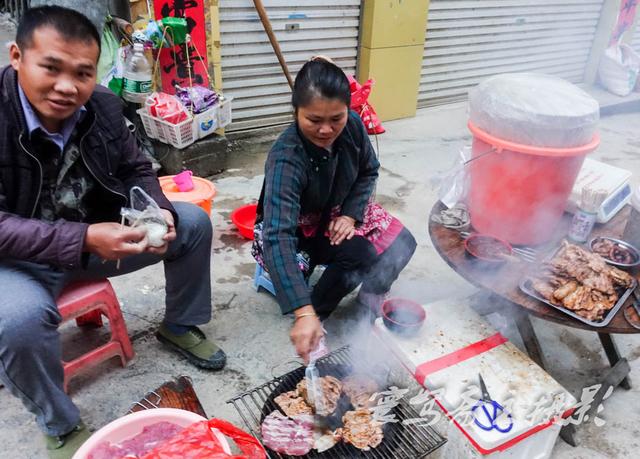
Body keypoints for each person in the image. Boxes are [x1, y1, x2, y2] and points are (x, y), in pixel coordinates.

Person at [0, 6, 225, 458]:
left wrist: (156, 214)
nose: (67, 87)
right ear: (17, 56)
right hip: (19, 262)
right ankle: (60, 425)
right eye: (50, 68)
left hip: (99, 240)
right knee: (16, 321)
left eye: (82, 73)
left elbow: (137, 167)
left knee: (193, 224)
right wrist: (83, 237)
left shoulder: (101, 105)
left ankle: (180, 325)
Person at [253, 57, 417, 363]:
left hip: (340, 211)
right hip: (301, 228)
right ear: (296, 111)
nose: (326, 130)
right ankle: (315, 315)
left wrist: (350, 215)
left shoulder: (352, 125)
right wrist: (302, 312)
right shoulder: (287, 158)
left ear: (346, 110)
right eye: (314, 120)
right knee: (360, 255)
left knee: (404, 242)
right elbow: (278, 236)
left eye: (336, 118)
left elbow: (369, 170)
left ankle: (369, 299)